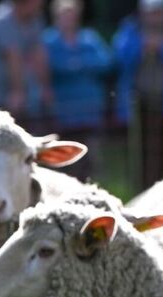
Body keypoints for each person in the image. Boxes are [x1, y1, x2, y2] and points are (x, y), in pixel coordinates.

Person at [113, 0, 163, 190]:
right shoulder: (131, 29)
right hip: (137, 104)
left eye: (159, 12)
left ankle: (159, 189)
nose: (154, 17)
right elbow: (120, 59)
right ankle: (138, 190)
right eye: (151, 12)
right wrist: (143, 48)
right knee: (137, 155)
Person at [42, 0, 111, 174]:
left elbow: (107, 62)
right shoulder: (48, 41)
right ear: (56, 17)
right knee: (62, 160)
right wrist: (74, 66)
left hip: (89, 111)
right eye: (64, 15)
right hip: (61, 111)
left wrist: (77, 64)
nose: (69, 19)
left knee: (90, 159)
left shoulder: (90, 38)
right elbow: (44, 67)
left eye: (72, 15)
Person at [0, 0, 51, 122]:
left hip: (14, 89)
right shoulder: (2, 18)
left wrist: (45, 87)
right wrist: (17, 92)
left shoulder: (36, 18)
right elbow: (13, 57)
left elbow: (38, 54)